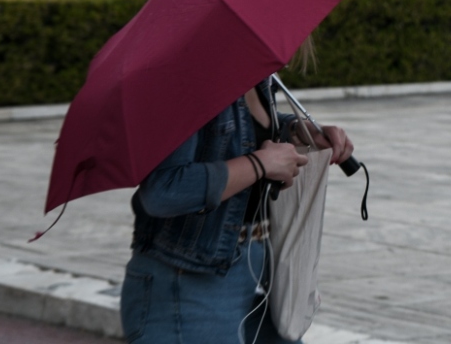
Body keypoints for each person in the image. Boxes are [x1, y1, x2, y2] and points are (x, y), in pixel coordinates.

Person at [119, 41, 354, 343]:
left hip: (258, 267)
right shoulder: (187, 76)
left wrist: (296, 130)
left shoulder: (254, 72)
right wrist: (259, 164)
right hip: (188, 282)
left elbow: (239, 132)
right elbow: (163, 190)